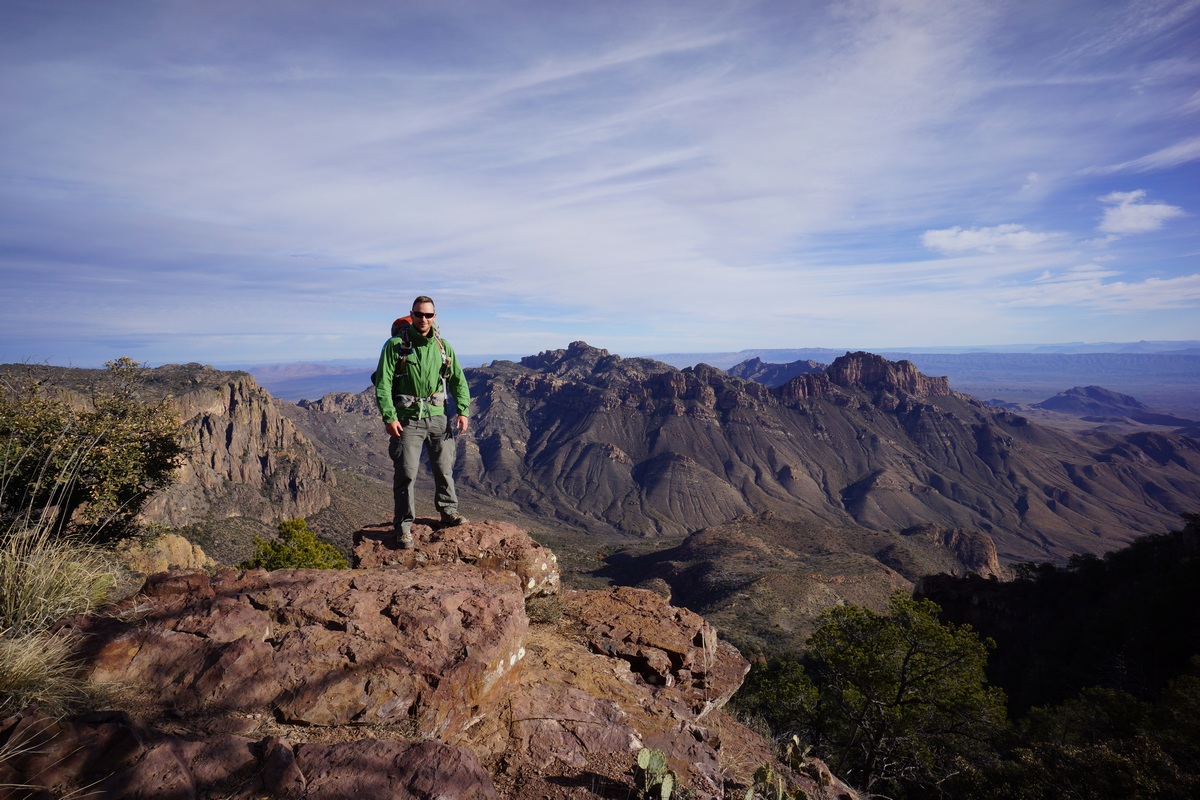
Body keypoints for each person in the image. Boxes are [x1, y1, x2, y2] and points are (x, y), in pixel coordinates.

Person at [374, 295, 471, 549]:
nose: (424, 319)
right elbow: (383, 384)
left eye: (428, 315)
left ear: (434, 317)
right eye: (419, 314)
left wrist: (463, 411)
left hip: (438, 418)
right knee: (406, 473)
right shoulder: (395, 346)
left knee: (444, 468)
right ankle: (404, 526)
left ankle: (449, 512)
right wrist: (389, 416)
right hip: (408, 421)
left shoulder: (443, 346)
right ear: (412, 314)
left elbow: (458, 380)